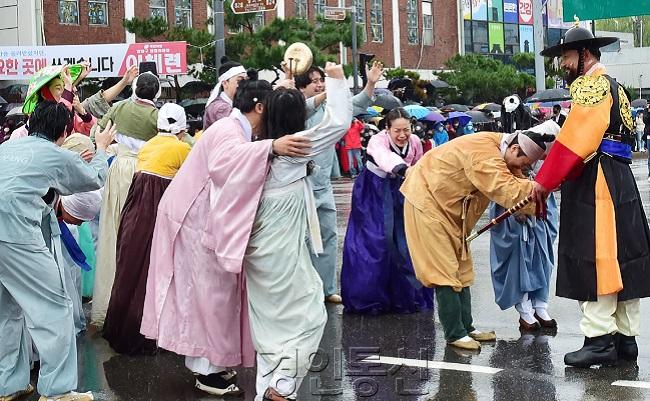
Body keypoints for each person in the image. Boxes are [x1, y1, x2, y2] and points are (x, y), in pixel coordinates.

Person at [140, 79, 311, 397]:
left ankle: (210, 363)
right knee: (211, 297)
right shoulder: (229, 131)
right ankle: (208, 371)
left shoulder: (234, 129)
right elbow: (224, 164)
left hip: (197, 218)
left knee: (207, 297)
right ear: (260, 107)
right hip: (193, 221)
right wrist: (270, 147)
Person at [532, 25, 650, 368]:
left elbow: (575, 141)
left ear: (584, 54)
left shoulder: (591, 85)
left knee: (597, 256)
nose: (563, 65)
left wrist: (544, 180)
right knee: (624, 257)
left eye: (566, 57)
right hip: (620, 177)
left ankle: (599, 340)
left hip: (597, 178)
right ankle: (625, 341)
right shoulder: (615, 85)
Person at [244, 62, 352, 401]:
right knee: (311, 314)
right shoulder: (295, 147)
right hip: (282, 250)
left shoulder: (252, 147)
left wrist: (286, 89)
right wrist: (335, 81)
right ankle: (285, 383)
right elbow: (338, 122)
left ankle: (268, 391)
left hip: (255, 249)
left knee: (269, 326)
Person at [0, 100, 115, 401]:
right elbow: (93, 178)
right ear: (65, 130)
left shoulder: (6, 148)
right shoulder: (54, 154)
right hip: (17, 235)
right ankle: (57, 391)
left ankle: (7, 384)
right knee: (54, 309)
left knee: (6, 312)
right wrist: (101, 148)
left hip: (8, 232)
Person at [401, 128, 555, 350]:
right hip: (427, 204)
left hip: (450, 211)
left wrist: (536, 188)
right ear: (514, 148)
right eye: (524, 163)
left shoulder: (503, 150)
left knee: (462, 269)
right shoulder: (484, 151)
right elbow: (503, 186)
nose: (523, 169)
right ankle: (455, 333)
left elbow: (514, 178)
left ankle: (467, 327)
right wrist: (539, 188)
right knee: (444, 269)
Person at [103, 103, 192, 355]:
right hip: (157, 215)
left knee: (130, 270)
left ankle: (121, 330)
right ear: (182, 129)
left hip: (133, 212)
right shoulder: (182, 148)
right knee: (155, 273)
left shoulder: (148, 145)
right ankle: (150, 334)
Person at [295, 61, 384, 303]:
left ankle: (326, 288)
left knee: (328, 234)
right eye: (314, 81)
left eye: (322, 79)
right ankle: (305, 289)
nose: (320, 84)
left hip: (323, 183)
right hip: (299, 184)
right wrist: (332, 89)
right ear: (302, 86)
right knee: (303, 238)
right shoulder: (298, 107)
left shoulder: (329, 109)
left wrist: (371, 83)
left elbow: (354, 104)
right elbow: (304, 108)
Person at [341, 108, 433, 315]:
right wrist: (404, 170)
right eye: (397, 131)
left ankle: (405, 297)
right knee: (375, 242)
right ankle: (369, 298)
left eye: (406, 130)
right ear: (387, 129)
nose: (402, 135)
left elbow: (419, 163)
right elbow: (384, 158)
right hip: (372, 192)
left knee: (406, 241)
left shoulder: (416, 142)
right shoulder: (377, 140)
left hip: (401, 191)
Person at [91, 71, 161, 328]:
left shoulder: (119, 107)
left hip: (118, 170)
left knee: (111, 236)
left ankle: (107, 306)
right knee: (139, 241)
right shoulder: (157, 116)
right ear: (155, 92)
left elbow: (97, 132)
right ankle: (135, 308)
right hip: (145, 174)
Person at [489, 121, 561, 332]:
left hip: (541, 206)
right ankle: (524, 308)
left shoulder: (543, 149)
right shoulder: (511, 151)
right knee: (519, 260)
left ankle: (540, 304)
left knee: (542, 256)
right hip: (511, 205)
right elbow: (499, 184)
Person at [203, 57, 248, 129]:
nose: (245, 84)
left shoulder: (229, 104)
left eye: (246, 80)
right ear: (225, 83)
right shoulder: (221, 108)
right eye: (239, 80)